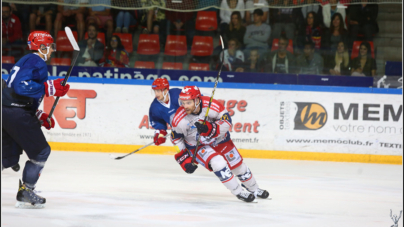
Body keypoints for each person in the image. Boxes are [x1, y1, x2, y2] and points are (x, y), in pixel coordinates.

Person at [2, 31, 70, 208]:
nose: (52, 50)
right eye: (50, 46)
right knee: (41, 152)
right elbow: (20, 86)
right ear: (41, 47)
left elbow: (19, 93)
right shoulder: (37, 61)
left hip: (6, 111)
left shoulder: (25, 60)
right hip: (16, 114)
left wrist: (39, 115)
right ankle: (26, 191)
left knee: (5, 157)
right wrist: (49, 87)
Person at [171, 86, 269, 202]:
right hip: (198, 146)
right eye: (183, 102)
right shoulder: (179, 119)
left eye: (188, 102)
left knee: (238, 167)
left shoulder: (212, 105)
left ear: (197, 100)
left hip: (220, 139)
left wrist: (210, 128)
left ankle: (254, 188)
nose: (185, 106)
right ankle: (238, 191)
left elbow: (227, 122)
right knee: (218, 163)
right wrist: (184, 160)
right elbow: (176, 139)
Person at [148, 78, 182, 147]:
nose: (156, 94)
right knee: (174, 139)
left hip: (196, 126)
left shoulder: (177, 94)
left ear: (166, 90)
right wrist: (161, 133)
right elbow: (158, 122)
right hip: (180, 133)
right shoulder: (155, 107)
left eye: (158, 91)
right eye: (155, 91)